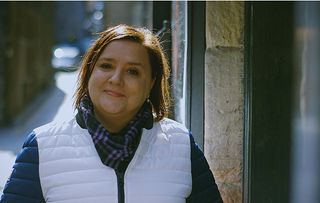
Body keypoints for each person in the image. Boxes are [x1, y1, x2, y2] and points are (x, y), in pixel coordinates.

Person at [0, 24, 223, 203]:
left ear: (151, 83)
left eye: (133, 71)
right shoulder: (43, 146)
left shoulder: (180, 144)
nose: (116, 79)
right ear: (89, 72)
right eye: (106, 66)